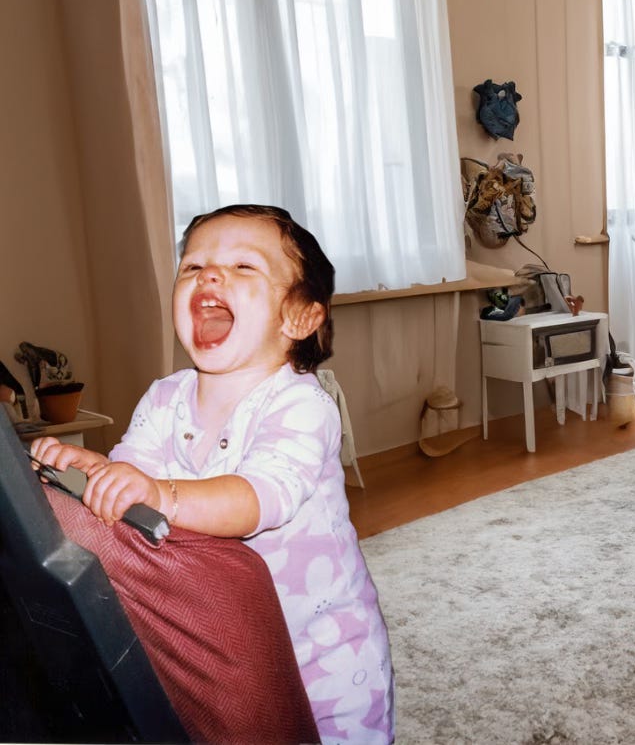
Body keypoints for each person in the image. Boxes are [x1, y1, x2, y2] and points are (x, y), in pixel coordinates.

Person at [30, 204, 394, 744]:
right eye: (192, 267)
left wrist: (162, 493)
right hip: (224, 636)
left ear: (298, 318)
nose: (210, 275)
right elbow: (135, 481)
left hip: (323, 651)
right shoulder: (164, 397)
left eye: (244, 267)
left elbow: (256, 499)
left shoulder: (300, 405)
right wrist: (97, 471)